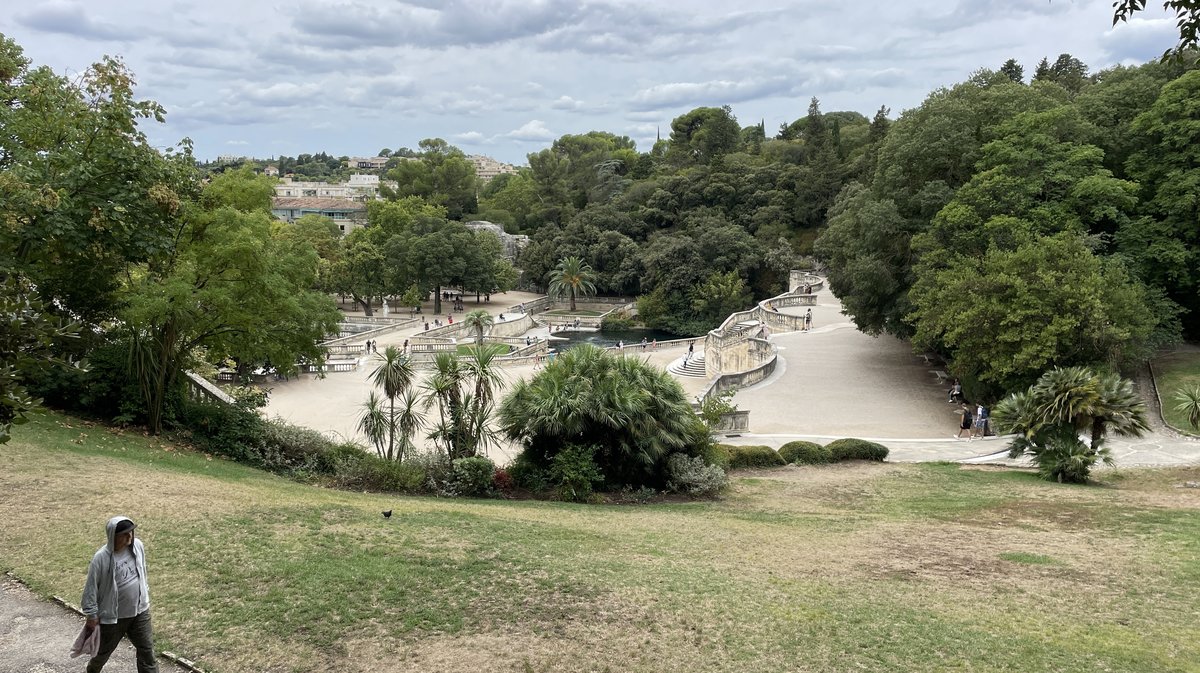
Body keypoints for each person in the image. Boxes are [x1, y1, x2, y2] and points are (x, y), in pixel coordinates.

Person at [81, 517, 158, 673]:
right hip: (114, 617)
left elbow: (142, 571)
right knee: (103, 652)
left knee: (146, 651)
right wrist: (92, 614)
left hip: (140, 611)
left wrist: (144, 593)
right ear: (112, 536)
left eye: (131, 533)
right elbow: (90, 588)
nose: (129, 537)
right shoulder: (101, 558)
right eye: (124, 534)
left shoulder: (138, 546)